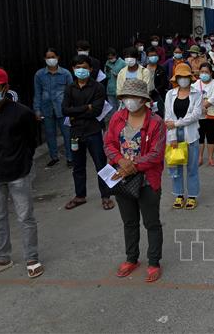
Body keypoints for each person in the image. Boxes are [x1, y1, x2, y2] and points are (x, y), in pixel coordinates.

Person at [0, 67, 44, 279]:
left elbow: (31, 141)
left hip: (18, 173)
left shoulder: (22, 113)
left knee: (25, 217)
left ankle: (32, 257)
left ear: (5, 88)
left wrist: (24, 162)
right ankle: (2, 258)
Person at [104, 79, 166, 283]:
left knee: (151, 223)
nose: (130, 101)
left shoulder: (156, 122)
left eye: (134, 97)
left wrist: (134, 165)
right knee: (129, 222)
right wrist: (121, 161)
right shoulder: (117, 118)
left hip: (147, 180)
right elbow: (109, 144)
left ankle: (154, 261)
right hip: (123, 179)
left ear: (143, 100)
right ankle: (131, 258)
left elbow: (157, 154)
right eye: (126, 97)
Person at [62, 55, 114, 210]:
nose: (81, 70)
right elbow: (64, 109)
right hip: (75, 133)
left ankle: (106, 196)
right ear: (73, 69)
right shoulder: (70, 88)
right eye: (77, 67)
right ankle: (80, 196)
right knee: (78, 166)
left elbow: (97, 111)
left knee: (101, 164)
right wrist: (86, 107)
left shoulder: (98, 87)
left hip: (93, 131)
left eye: (84, 67)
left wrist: (75, 112)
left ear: (91, 69)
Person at [164, 64, 202, 210]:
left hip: (191, 135)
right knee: (176, 166)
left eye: (186, 77)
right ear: (176, 78)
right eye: (180, 77)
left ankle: (192, 196)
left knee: (192, 167)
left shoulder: (196, 94)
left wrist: (177, 123)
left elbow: (195, 115)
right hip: (174, 134)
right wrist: (172, 134)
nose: (183, 79)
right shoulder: (170, 94)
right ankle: (179, 195)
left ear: (190, 78)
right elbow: (168, 116)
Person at [33, 48, 73, 168]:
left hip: (63, 110)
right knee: (50, 135)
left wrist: (72, 110)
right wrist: (37, 109)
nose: (51, 59)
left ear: (57, 57)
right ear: (45, 59)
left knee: (67, 135)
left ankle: (70, 158)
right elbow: (37, 93)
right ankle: (54, 157)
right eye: (48, 57)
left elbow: (71, 92)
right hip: (47, 109)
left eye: (53, 57)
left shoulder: (66, 73)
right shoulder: (39, 75)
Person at [196, 63, 214, 167]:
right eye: (202, 72)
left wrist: (203, 106)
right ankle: (200, 158)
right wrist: (199, 108)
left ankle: (210, 158)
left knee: (210, 136)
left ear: (211, 73)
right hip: (199, 115)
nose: (204, 74)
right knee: (200, 137)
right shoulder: (196, 84)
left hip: (211, 113)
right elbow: (193, 98)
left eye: (206, 72)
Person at [146, 46, 168, 117]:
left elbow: (164, 83)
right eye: (151, 55)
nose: (153, 57)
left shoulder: (161, 69)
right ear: (147, 57)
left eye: (155, 55)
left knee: (159, 116)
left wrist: (154, 91)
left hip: (158, 96)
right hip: (145, 96)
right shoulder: (143, 69)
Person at [105, 48, 126, 112]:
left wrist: (118, 76)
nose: (110, 58)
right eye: (109, 57)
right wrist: (107, 72)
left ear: (115, 55)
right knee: (112, 109)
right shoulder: (107, 62)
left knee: (121, 108)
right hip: (110, 89)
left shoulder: (122, 63)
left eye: (112, 56)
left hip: (120, 89)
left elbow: (126, 76)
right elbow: (107, 76)